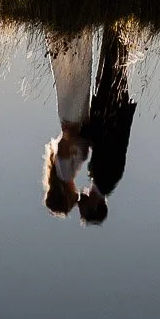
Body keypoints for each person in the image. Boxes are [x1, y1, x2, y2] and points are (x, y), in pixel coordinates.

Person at [77, 25, 137, 225]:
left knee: (111, 64)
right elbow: (107, 142)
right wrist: (84, 133)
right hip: (112, 110)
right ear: (95, 206)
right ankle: (117, 26)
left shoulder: (101, 180)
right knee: (114, 64)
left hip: (109, 109)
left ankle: (115, 27)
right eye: (84, 210)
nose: (79, 207)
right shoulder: (106, 178)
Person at [42, 29, 93, 217]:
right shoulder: (64, 174)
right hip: (71, 118)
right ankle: (70, 32)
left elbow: (64, 146)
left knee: (77, 74)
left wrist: (75, 133)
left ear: (64, 195)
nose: (75, 200)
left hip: (73, 119)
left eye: (71, 202)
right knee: (73, 76)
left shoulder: (65, 174)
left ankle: (73, 33)